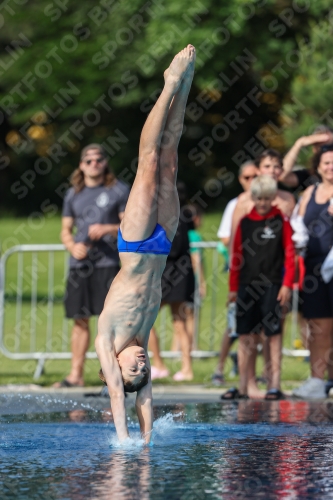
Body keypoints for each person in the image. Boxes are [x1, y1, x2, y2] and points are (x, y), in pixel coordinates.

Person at [95, 45, 196, 443]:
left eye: (132, 369)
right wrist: (148, 442)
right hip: (163, 244)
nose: (140, 365)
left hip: (136, 245)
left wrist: (125, 441)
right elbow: (145, 398)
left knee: (150, 161)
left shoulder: (108, 340)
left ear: (112, 370)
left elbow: (121, 396)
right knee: (170, 161)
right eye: (143, 370)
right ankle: (185, 86)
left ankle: (169, 84)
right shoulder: (141, 343)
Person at [55, 144, 130, 388]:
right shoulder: (73, 193)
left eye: (98, 159)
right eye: (89, 160)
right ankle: (75, 375)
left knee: (110, 322)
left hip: (107, 263)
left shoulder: (118, 190)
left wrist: (107, 229)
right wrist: (71, 246)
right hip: (80, 264)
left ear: (105, 162)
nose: (94, 163)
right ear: (81, 165)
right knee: (79, 319)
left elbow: (130, 225)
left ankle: (114, 374)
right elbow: (65, 230)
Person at [223, 176, 295, 400]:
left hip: (273, 284)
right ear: (252, 198)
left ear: (273, 198)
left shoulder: (280, 221)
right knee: (246, 335)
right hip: (246, 285)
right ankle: (245, 385)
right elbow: (236, 257)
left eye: (267, 199)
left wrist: (286, 284)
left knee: (272, 335)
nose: (263, 203)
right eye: (259, 198)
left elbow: (290, 256)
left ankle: (274, 383)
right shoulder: (245, 222)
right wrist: (233, 288)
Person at [292, 145, 333, 399]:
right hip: (314, 267)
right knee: (317, 326)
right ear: (318, 167)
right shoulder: (310, 192)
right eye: (327, 162)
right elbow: (297, 224)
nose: (331, 167)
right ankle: (318, 380)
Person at [212, 161, 258, 385]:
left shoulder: (267, 203)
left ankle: (250, 373)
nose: (250, 182)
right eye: (246, 178)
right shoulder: (235, 204)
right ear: (240, 179)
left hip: (264, 272)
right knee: (234, 324)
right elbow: (225, 236)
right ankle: (219, 367)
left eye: (254, 177)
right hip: (241, 271)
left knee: (259, 326)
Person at [148, 182, 196, 382]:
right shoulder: (186, 214)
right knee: (179, 322)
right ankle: (185, 367)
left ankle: (160, 364)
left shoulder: (158, 216)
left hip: (164, 270)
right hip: (181, 271)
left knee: (147, 320)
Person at [279, 126, 333, 190]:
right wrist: (299, 144)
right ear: (315, 150)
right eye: (323, 148)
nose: (328, 152)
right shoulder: (311, 177)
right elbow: (282, 175)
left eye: (331, 146)